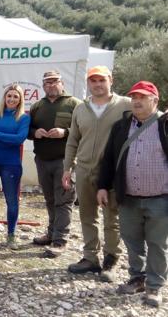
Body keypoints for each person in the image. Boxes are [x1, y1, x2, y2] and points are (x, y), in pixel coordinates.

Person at [97, 81, 167, 308]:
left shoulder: (165, 125)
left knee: (157, 244)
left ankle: (154, 287)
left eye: (143, 97)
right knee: (132, 240)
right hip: (128, 197)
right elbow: (108, 158)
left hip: (160, 197)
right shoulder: (121, 126)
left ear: (155, 101)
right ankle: (137, 277)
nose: (136, 101)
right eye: (134, 96)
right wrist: (102, 186)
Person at [62, 66, 130, 280]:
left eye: (102, 80)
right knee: (87, 215)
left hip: (112, 171)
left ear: (111, 80)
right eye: (93, 80)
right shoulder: (81, 109)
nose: (98, 84)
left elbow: (149, 117)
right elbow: (73, 140)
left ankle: (111, 259)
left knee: (112, 217)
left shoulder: (126, 105)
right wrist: (67, 168)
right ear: (88, 83)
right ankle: (90, 257)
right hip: (84, 169)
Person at [28, 70, 81, 258]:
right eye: (47, 83)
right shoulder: (37, 106)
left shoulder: (74, 104)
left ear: (62, 83)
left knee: (64, 200)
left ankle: (60, 240)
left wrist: (65, 132)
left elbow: (83, 129)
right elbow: (27, 130)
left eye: (54, 81)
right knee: (50, 199)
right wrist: (35, 133)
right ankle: (51, 234)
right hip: (42, 160)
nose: (51, 85)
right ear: (43, 86)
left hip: (65, 161)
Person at [0, 84, 30, 250]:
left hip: (11, 165)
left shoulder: (23, 118)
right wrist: (0, 138)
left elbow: (19, 139)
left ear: (20, 100)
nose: (11, 99)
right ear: (4, 98)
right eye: (9, 96)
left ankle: (11, 235)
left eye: (15, 97)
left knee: (11, 200)